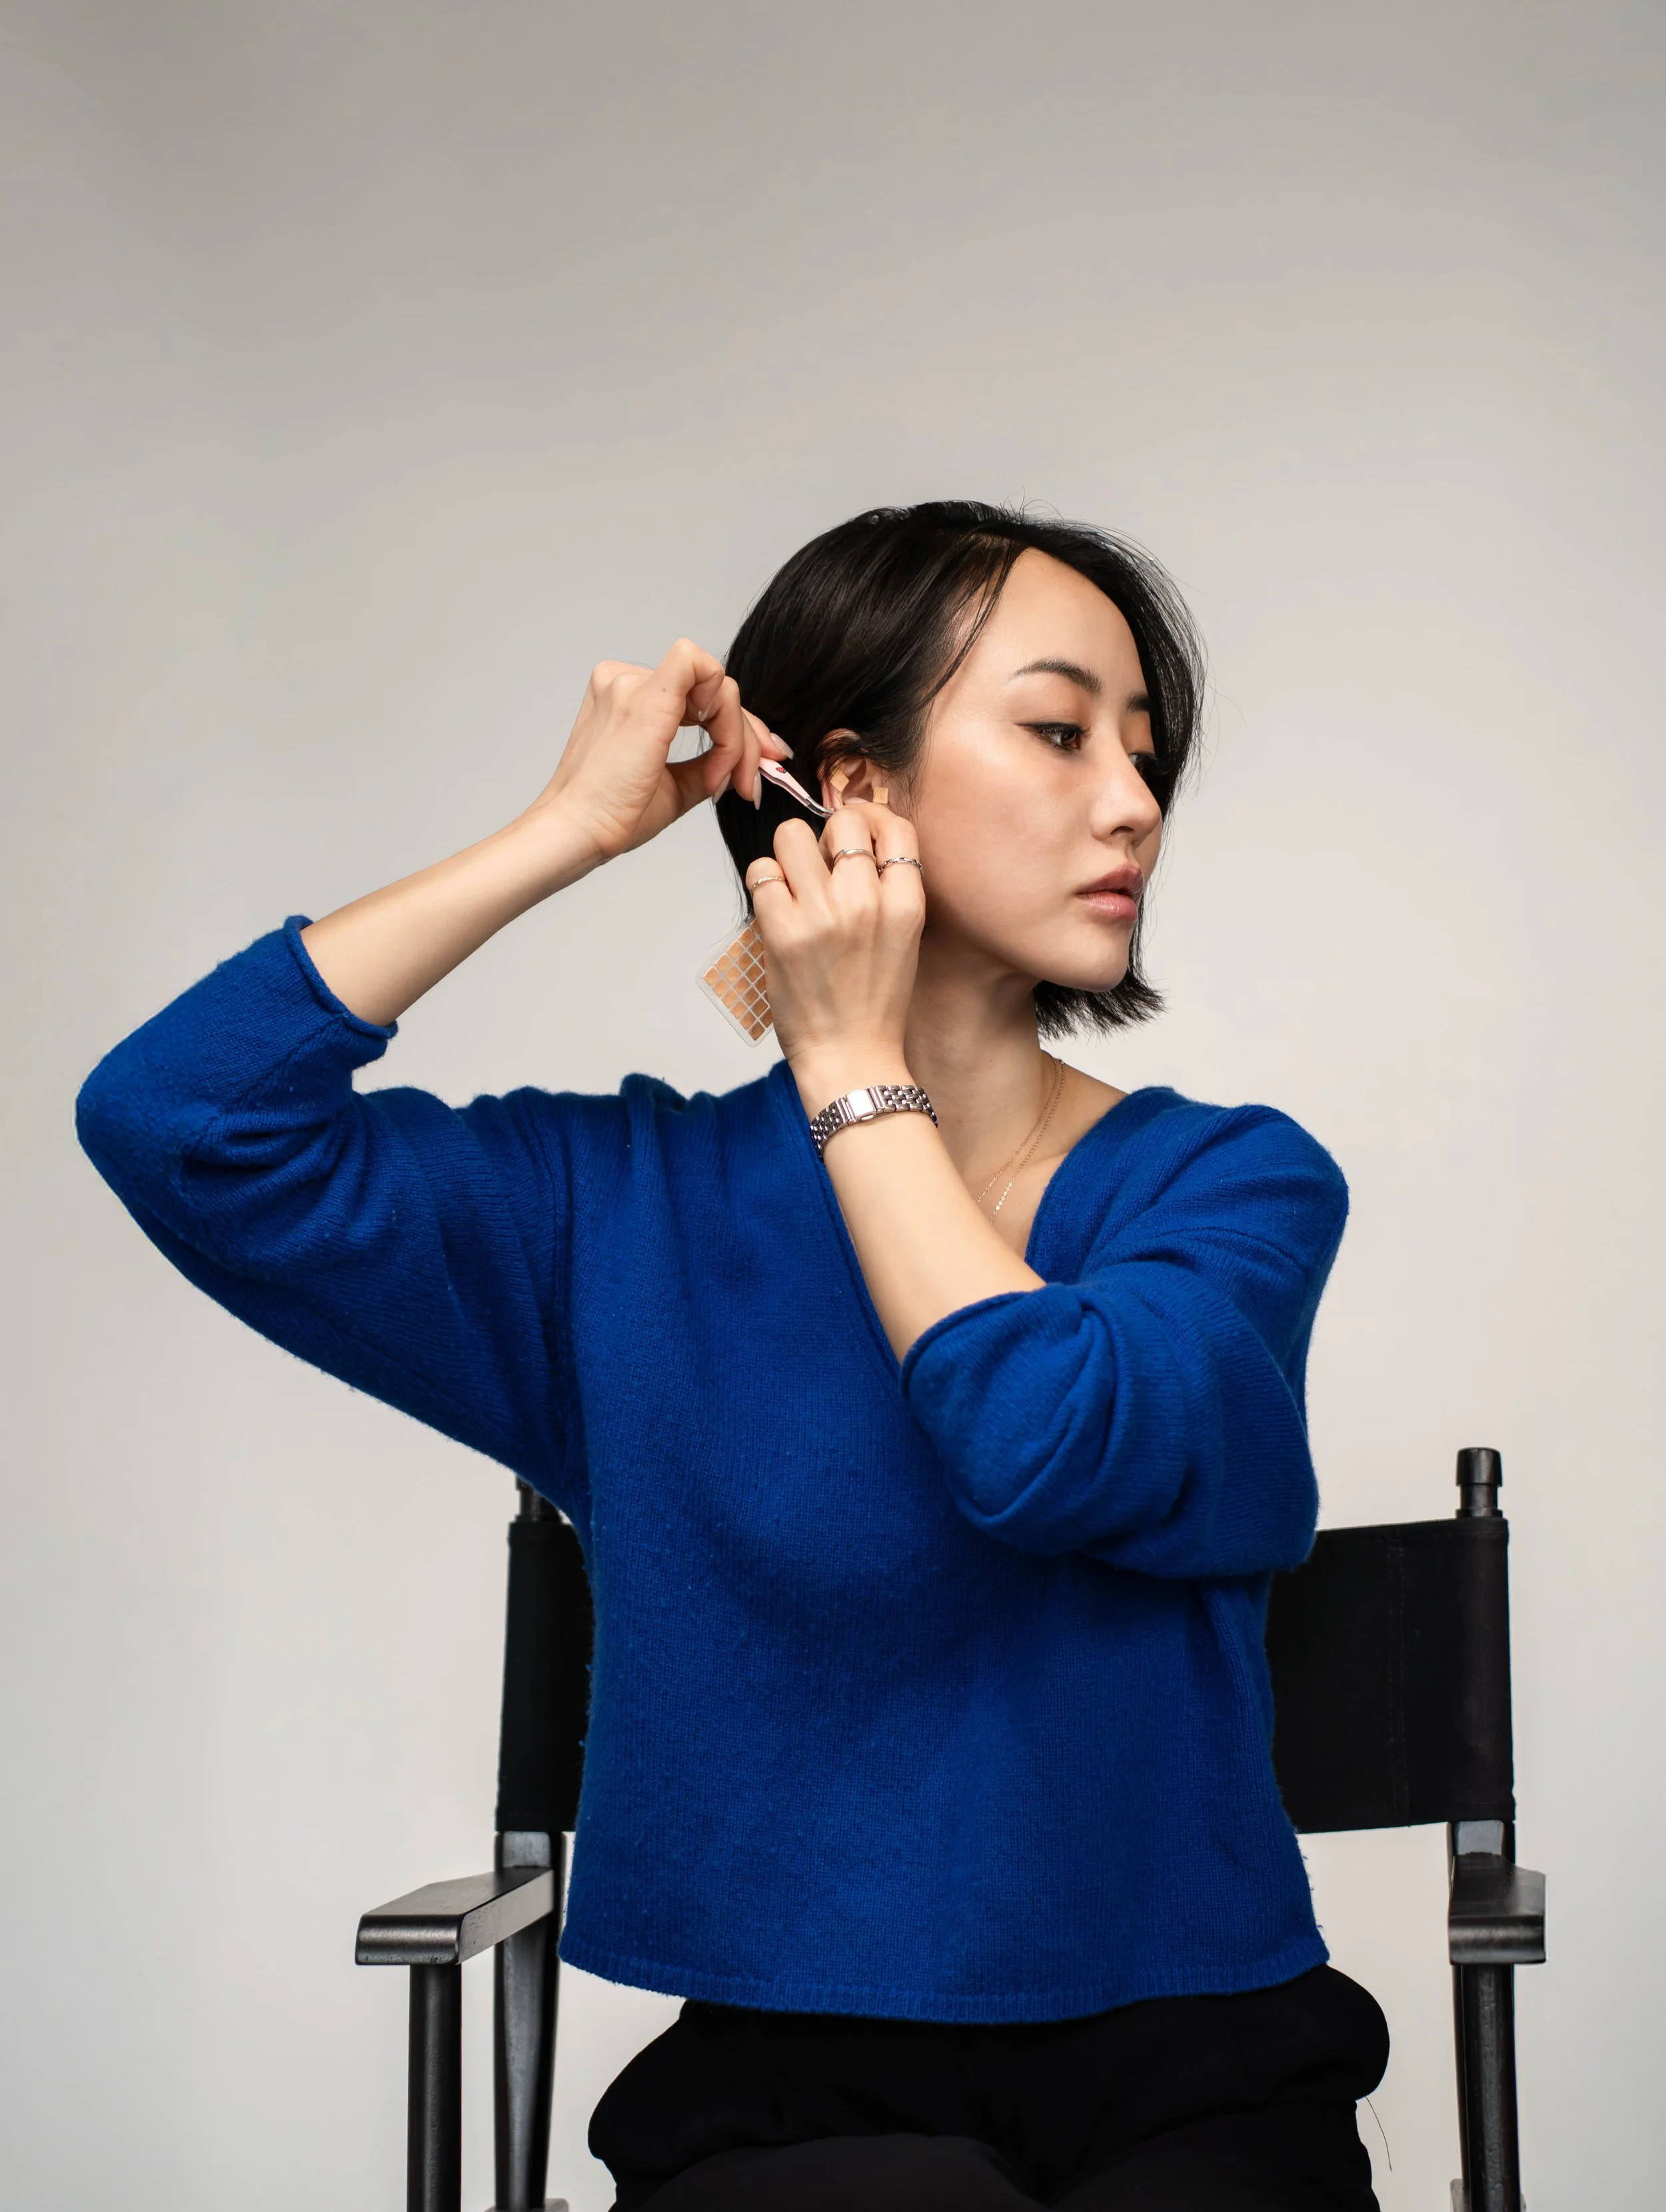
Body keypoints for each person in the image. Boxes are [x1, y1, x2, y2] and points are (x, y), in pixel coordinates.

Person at [77, 501, 1389, 2209]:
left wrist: (851, 1065)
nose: (1133, 800)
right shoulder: (609, 1216)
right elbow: (179, 1123)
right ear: (853, 793)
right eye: (1061, 732)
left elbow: (1037, 1434)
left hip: (1199, 2063)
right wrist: (563, 830)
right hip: (787, 2083)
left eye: (1143, 752)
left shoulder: (1229, 1184)